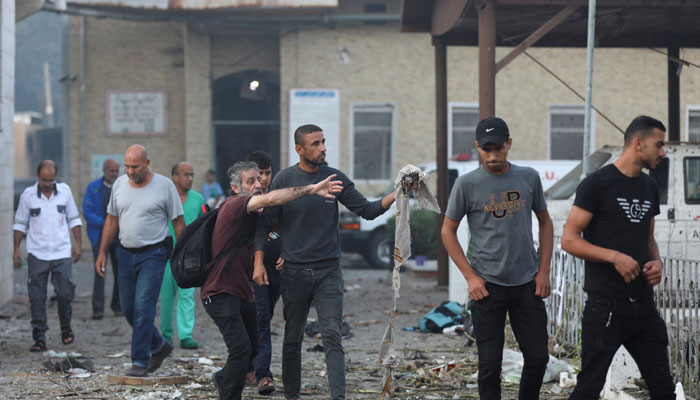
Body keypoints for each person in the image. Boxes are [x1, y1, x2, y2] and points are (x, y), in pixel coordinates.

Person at [254, 124, 406, 400]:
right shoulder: (284, 179)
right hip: (294, 272)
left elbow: (367, 210)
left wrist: (399, 192)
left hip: (329, 272)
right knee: (292, 340)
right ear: (299, 149)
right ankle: (292, 396)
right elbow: (266, 225)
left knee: (333, 337)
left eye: (323, 142)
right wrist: (259, 262)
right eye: (315, 143)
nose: (323, 148)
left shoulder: (334, 178)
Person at [203, 161, 343, 400]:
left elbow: (273, 230)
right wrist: (311, 188)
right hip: (220, 293)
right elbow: (270, 200)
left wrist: (283, 253)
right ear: (236, 188)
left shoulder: (254, 212)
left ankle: (224, 377)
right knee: (240, 351)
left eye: (259, 179)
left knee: (253, 349)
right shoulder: (236, 204)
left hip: (242, 292)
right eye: (251, 181)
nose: (259, 185)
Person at [562, 116, 675, 399]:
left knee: (663, 386)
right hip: (605, 308)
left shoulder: (649, 187)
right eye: (658, 145)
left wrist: (657, 262)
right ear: (638, 143)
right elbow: (569, 240)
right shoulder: (596, 184)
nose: (663, 152)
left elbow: (648, 238)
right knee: (589, 387)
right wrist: (614, 257)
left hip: (644, 305)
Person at [441, 117, 553, 400]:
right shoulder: (467, 184)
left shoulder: (528, 177)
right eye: (486, 149)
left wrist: (543, 272)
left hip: (527, 282)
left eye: (498, 149)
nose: (492, 156)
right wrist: (471, 277)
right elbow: (447, 231)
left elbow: (545, 222)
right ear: (477, 147)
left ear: (509, 144)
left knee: (538, 358)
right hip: (487, 286)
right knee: (490, 365)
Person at [95, 145, 185, 377]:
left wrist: (184, 253)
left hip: (153, 255)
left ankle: (140, 361)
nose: (130, 171)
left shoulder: (164, 186)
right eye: (126, 167)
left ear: (147, 162)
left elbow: (178, 222)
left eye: (135, 166)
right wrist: (102, 252)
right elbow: (111, 220)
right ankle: (159, 344)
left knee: (144, 309)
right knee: (128, 310)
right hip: (124, 254)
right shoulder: (119, 185)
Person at [13, 160, 83, 352]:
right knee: (37, 296)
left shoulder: (65, 192)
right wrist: (17, 249)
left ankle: (65, 327)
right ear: (37, 177)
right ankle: (39, 337)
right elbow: (19, 224)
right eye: (44, 180)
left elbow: (74, 219)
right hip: (37, 253)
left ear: (55, 178)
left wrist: (78, 244)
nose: (47, 184)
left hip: (61, 253)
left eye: (51, 180)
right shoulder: (28, 196)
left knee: (64, 293)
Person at [159, 162, 206, 349]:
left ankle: (186, 335)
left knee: (187, 296)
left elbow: (204, 225)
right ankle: (166, 335)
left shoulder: (198, 199)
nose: (190, 179)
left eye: (191, 175)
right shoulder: (164, 198)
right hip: (167, 255)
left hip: (190, 257)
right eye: (185, 175)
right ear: (174, 177)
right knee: (166, 298)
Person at [246, 151, 281, 395]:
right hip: (251, 270)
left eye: (268, 172)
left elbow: (281, 230)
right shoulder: (244, 200)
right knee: (260, 319)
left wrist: (283, 246)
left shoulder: (278, 198)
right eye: (260, 174)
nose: (265, 178)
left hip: (276, 269)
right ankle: (263, 374)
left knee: (263, 318)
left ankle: (249, 365)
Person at [83, 158, 122, 320]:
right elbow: (87, 211)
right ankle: (97, 309)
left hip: (119, 235)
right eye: (112, 171)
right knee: (100, 270)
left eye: (116, 171)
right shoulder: (93, 188)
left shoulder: (122, 187)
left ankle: (118, 306)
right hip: (99, 235)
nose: (114, 174)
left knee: (120, 271)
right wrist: (105, 224)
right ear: (104, 170)